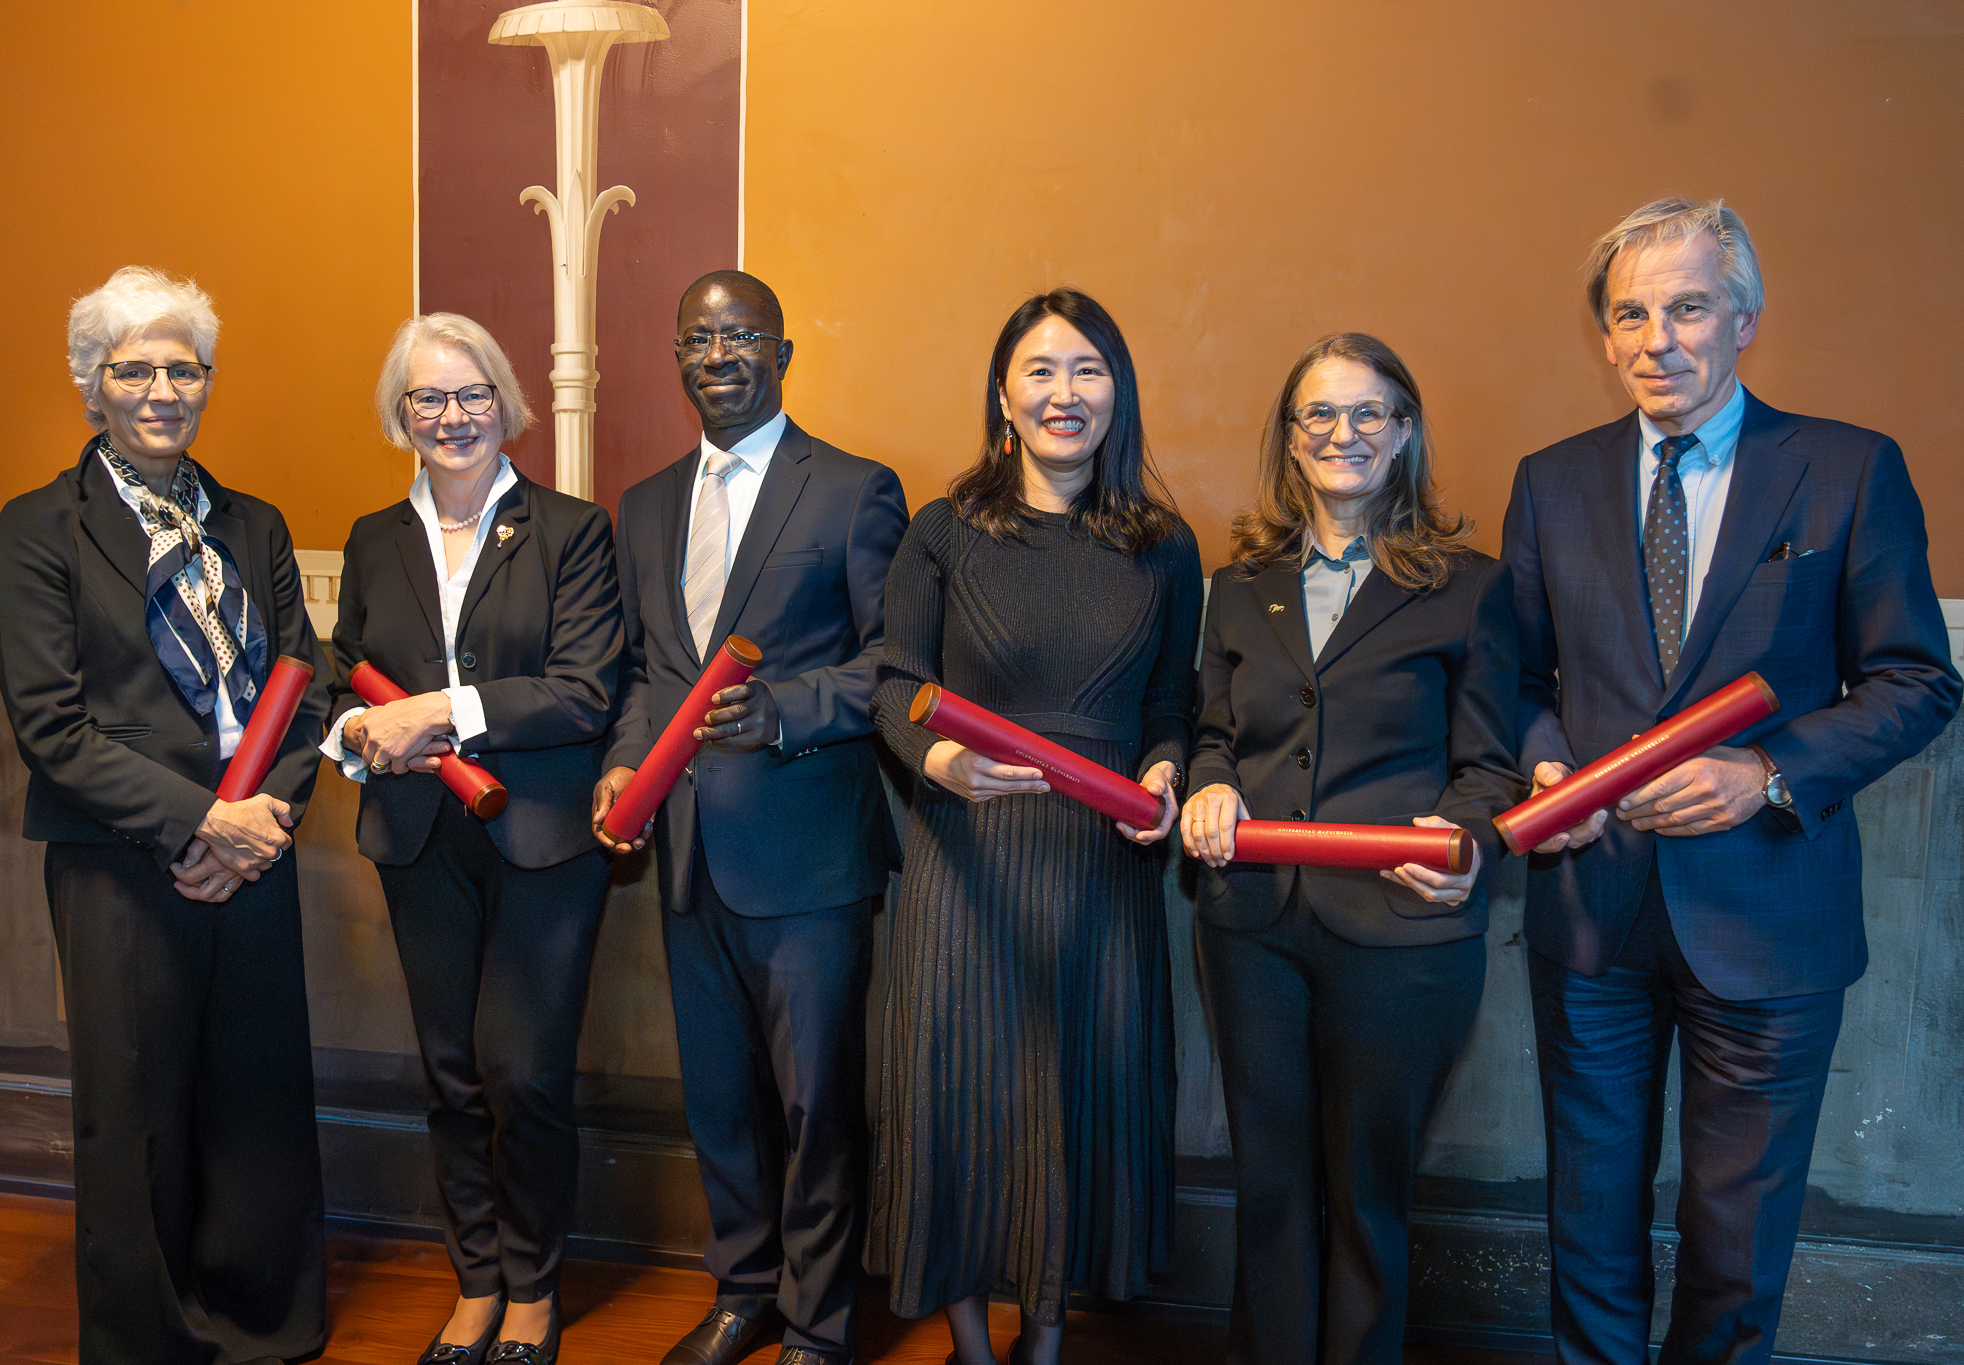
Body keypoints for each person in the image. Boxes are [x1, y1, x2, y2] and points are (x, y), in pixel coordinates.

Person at [1501, 198, 1961, 1365]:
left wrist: (1764, 772)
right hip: (1590, 915)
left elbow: (1913, 680)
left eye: (1687, 306)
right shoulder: (1548, 482)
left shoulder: (1847, 469)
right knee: (1586, 1223)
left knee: (1733, 1239)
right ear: (1604, 340)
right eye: (1629, 314)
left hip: (1766, 921)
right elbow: (1508, 678)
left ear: (1742, 318)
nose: (1657, 338)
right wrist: (1544, 760)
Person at [0, 265, 330, 1364]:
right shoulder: (42, 525)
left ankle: (260, 1320)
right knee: (136, 1105)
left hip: (254, 851)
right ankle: (150, 1339)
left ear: (207, 384)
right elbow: (52, 723)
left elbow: (304, 686)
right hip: (120, 862)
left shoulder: (253, 521)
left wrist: (260, 822)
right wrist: (200, 822)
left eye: (184, 368)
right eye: (134, 367)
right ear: (92, 385)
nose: (161, 388)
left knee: (256, 1093)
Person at [869, 288, 1201, 1365]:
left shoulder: (1163, 544)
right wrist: (937, 760)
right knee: (958, 1094)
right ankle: (971, 1342)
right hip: (964, 857)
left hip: (1098, 862)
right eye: (1041, 371)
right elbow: (892, 684)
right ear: (1002, 396)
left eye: (1087, 369)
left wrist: (1161, 767)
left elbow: (1169, 709)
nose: (1064, 393)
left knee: (1073, 1101)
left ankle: (1045, 1339)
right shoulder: (942, 530)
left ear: (1118, 391)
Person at [1181, 332, 1525, 1365]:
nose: (1342, 433)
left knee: (1365, 1191)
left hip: (1401, 934)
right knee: (1270, 1185)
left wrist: (1464, 840)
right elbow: (1212, 733)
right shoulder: (1238, 583)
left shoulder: (1470, 587)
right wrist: (1205, 782)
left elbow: (1491, 769)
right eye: (1318, 415)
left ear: (1403, 431)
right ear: (1289, 442)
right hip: (1251, 928)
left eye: (1367, 412)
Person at [590, 270, 908, 1365]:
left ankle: (820, 1326)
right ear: (676, 357)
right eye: (695, 340)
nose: (715, 356)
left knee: (819, 1107)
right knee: (720, 1099)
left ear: (780, 351)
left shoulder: (855, 490)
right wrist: (624, 767)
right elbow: (641, 675)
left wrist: (778, 713)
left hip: (808, 857)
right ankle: (745, 1292)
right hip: (681, 854)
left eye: (738, 337)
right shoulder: (641, 506)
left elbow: (891, 670)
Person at [324, 313, 623, 1365]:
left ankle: (535, 1287)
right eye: (428, 399)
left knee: (524, 1072)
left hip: (538, 842)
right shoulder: (373, 539)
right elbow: (342, 673)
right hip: (416, 839)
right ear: (399, 416)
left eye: (471, 394)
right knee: (449, 1072)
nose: (452, 417)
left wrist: (439, 714)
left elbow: (584, 692)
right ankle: (478, 1279)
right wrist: (362, 734)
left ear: (506, 403)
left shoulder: (573, 530)